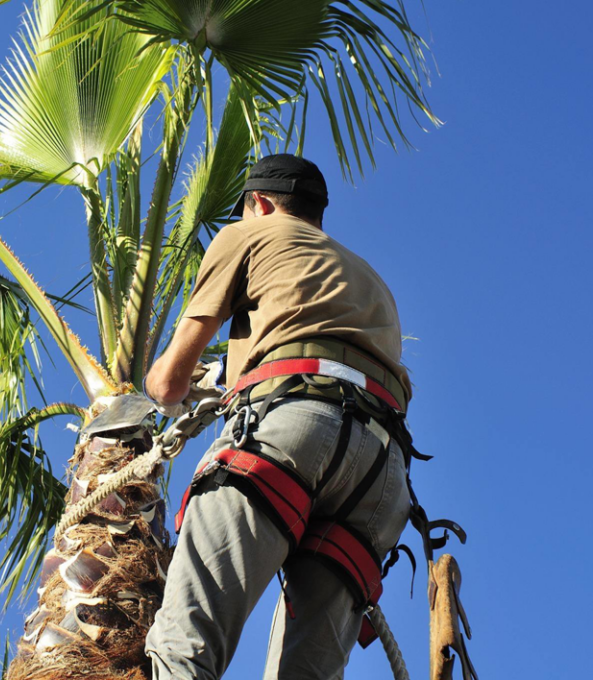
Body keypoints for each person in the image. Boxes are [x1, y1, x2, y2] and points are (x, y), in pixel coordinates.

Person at [143, 154, 414, 680]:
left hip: (289, 433)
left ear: (260, 203)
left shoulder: (248, 234)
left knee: (185, 650)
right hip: (381, 473)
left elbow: (167, 384)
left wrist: (163, 387)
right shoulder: (368, 278)